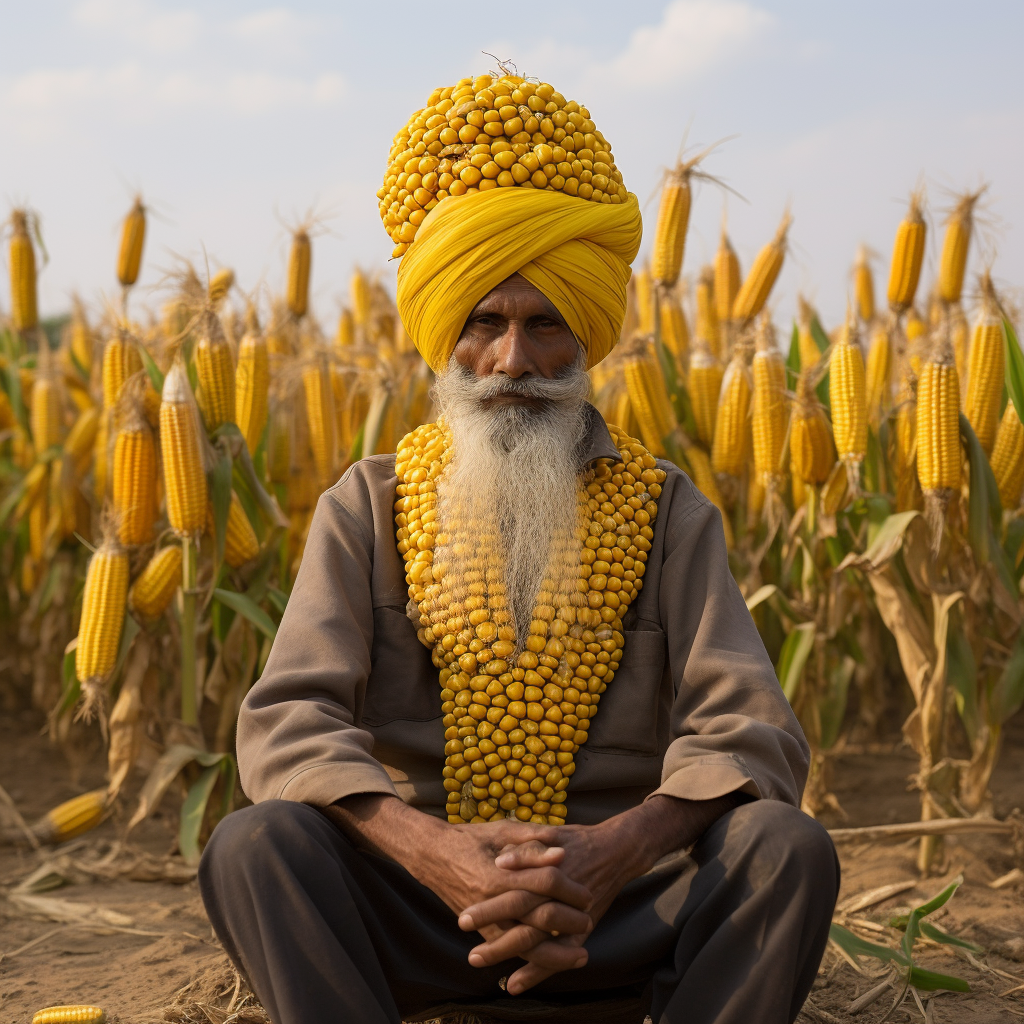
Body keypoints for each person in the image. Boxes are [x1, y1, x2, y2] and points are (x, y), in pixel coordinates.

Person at [199, 73, 839, 1024]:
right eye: (484, 324)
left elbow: (751, 733)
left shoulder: (667, 512)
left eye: (544, 325)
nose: (512, 363)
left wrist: (612, 851)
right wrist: (429, 850)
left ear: (583, 340)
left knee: (786, 849)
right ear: (442, 335)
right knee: (255, 847)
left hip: (618, 911)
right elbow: (291, 720)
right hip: (416, 903)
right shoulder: (366, 506)